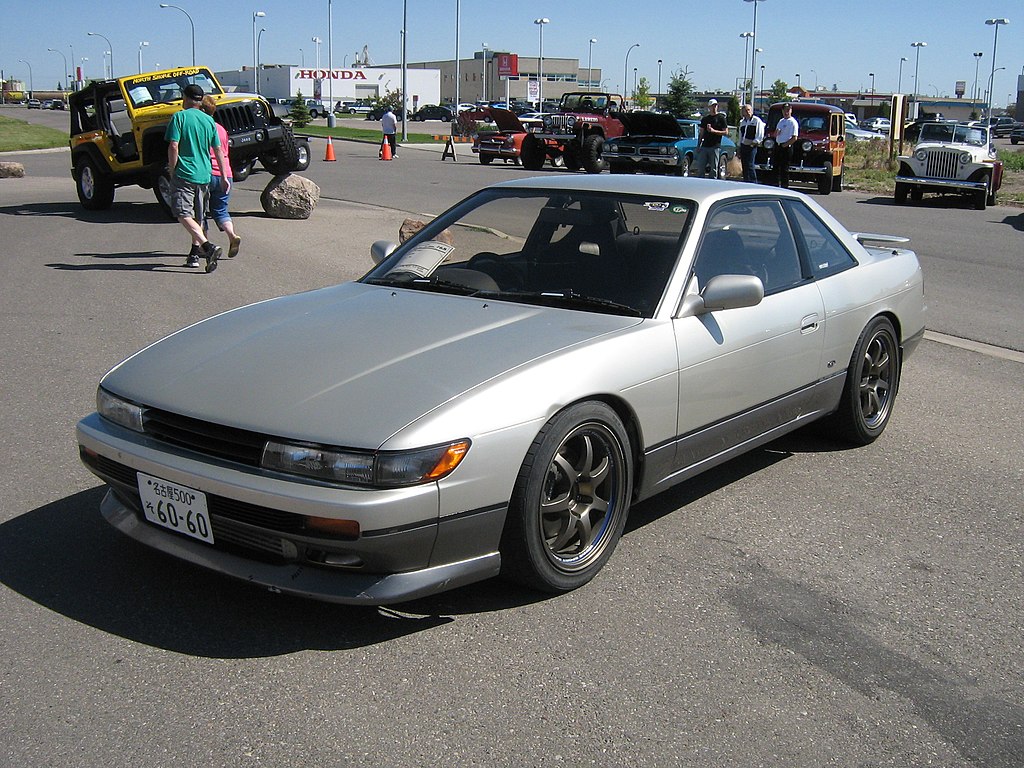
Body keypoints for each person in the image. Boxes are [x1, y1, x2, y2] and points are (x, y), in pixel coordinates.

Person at [165, 83, 228, 272]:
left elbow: (174, 145)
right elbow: (218, 150)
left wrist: (172, 169)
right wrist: (224, 176)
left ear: (184, 97)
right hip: (205, 174)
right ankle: (194, 255)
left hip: (185, 173)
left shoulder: (179, 117)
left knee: (182, 213)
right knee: (198, 216)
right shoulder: (208, 121)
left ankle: (208, 247)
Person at [200, 95, 241, 259]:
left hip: (206, 172)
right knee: (221, 211)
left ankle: (205, 246)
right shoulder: (221, 129)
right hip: (225, 173)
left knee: (200, 211)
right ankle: (232, 235)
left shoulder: (202, 127)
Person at [693, 99, 729, 178]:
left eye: (715, 106)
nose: (714, 107)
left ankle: (712, 184)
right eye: (712, 106)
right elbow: (701, 133)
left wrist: (713, 131)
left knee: (713, 168)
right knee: (701, 167)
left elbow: (726, 132)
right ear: (709, 107)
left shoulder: (721, 118)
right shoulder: (705, 119)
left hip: (715, 146)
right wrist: (698, 145)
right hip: (705, 146)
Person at [771, 102, 800, 189]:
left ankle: (785, 187)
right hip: (778, 145)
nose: (786, 112)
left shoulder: (793, 122)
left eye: (788, 110)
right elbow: (775, 134)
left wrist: (785, 145)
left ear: (791, 111)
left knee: (784, 169)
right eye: (784, 110)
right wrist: (776, 133)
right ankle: (775, 186)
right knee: (775, 167)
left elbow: (794, 138)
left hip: (786, 147)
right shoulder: (781, 121)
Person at [738, 103, 766, 183]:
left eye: (748, 110)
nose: (747, 112)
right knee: (744, 165)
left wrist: (753, 143)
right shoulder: (742, 122)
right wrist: (739, 146)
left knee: (750, 165)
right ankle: (746, 181)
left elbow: (760, 134)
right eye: (745, 110)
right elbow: (740, 135)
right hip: (744, 146)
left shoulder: (756, 121)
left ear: (752, 111)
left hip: (751, 146)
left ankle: (753, 182)